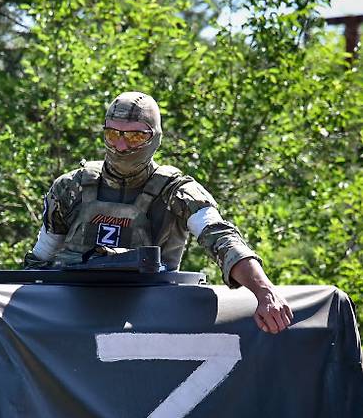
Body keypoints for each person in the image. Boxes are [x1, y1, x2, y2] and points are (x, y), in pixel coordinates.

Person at [24, 91, 293, 334]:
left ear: (155, 138)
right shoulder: (71, 187)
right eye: (113, 134)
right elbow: (38, 263)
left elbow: (221, 238)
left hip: (146, 326)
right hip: (70, 321)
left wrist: (264, 291)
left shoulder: (175, 191)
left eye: (135, 137)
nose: (121, 146)